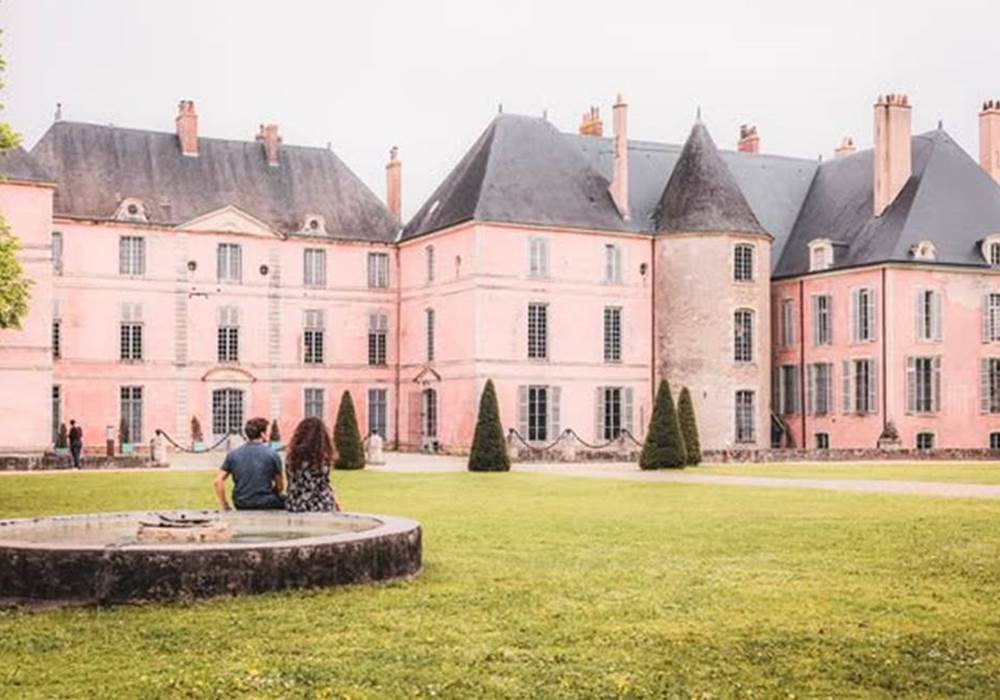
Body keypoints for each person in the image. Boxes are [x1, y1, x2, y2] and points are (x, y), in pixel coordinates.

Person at [213, 417, 285, 511]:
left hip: (241, 502)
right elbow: (280, 486)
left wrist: (225, 505)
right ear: (262, 434)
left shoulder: (233, 454)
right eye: (266, 432)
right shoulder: (272, 454)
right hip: (266, 502)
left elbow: (218, 481)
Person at [284, 417, 342, 513]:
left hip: (295, 505)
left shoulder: (291, 459)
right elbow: (322, 485)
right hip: (319, 506)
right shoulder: (322, 460)